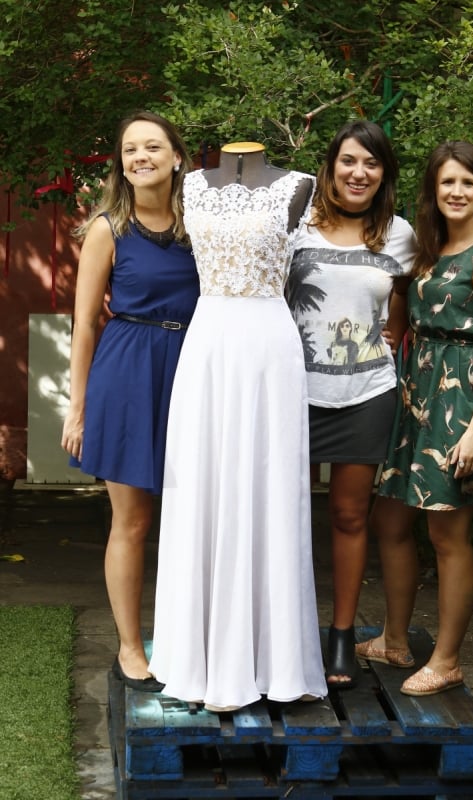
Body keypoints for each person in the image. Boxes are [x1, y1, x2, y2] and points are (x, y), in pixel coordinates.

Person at [148, 141, 328, 711]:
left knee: (268, 486)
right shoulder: (192, 185)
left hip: (268, 344)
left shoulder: (299, 184)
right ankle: (196, 659)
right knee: (202, 486)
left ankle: (273, 662)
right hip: (209, 342)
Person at [357, 140, 473, 696]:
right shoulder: (428, 252)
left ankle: (447, 659)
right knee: (391, 521)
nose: (457, 192)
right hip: (414, 396)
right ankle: (395, 640)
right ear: (434, 190)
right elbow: (403, 316)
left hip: (460, 402)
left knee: (448, 533)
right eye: (448, 182)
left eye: (468, 183)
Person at [61, 111, 200, 692]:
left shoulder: (202, 225)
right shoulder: (107, 228)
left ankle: (192, 639)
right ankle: (128, 647)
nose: (139, 157)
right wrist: (78, 406)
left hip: (193, 371)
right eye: (129, 150)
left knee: (195, 518)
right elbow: (85, 323)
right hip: (126, 371)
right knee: (134, 519)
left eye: (152, 147)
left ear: (175, 157)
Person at [287, 120, 417, 689]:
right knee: (282, 517)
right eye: (348, 161)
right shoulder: (295, 227)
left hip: (366, 395)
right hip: (290, 392)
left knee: (347, 516)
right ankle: (282, 636)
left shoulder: (400, 235)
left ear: (383, 173)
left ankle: (341, 637)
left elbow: (410, 296)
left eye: (371, 163)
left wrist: (395, 332)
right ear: (330, 166)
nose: (358, 173)